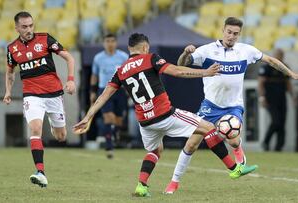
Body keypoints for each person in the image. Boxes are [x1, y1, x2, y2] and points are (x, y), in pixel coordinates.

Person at [73, 33, 257, 197]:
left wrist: (87, 117)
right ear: (145, 47)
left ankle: (141, 186)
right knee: (208, 128)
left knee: (155, 151)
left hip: (145, 122)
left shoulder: (120, 71)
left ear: (130, 49)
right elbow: (177, 70)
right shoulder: (150, 58)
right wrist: (205, 72)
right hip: (165, 115)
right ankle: (234, 169)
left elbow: (102, 97)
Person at [165, 17, 298, 194]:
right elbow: (180, 65)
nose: (231, 36)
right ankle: (174, 182)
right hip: (210, 105)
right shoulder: (207, 50)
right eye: (229, 32)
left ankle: (239, 157)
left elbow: (271, 61)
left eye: (236, 34)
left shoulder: (246, 51)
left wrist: (292, 74)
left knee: (231, 136)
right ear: (223, 30)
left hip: (233, 106)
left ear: (239, 35)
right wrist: (186, 53)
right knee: (192, 144)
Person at [3, 11, 76, 188]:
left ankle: (54, 124)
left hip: (54, 94)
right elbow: (10, 72)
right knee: (35, 129)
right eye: (24, 26)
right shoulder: (12, 48)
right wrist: (8, 91)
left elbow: (68, 57)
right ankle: (40, 172)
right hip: (32, 95)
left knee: (61, 136)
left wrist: (71, 80)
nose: (28, 29)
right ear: (17, 28)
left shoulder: (45, 39)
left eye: (31, 25)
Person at [90, 34, 128, 159]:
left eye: (112, 41)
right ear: (104, 43)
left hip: (120, 90)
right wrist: (93, 91)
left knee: (118, 120)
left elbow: (129, 74)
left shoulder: (123, 56)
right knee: (108, 118)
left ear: (116, 43)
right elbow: (94, 75)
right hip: (104, 90)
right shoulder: (98, 58)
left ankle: (115, 133)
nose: (110, 43)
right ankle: (109, 146)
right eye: (107, 41)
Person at [258, 49, 295, 151]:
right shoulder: (267, 67)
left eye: (281, 56)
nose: (280, 58)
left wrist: (293, 97)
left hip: (282, 98)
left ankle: (279, 147)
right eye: (278, 56)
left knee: (282, 122)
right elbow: (260, 83)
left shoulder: (285, 68)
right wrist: (262, 97)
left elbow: (288, 83)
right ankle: (266, 142)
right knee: (276, 121)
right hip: (270, 99)